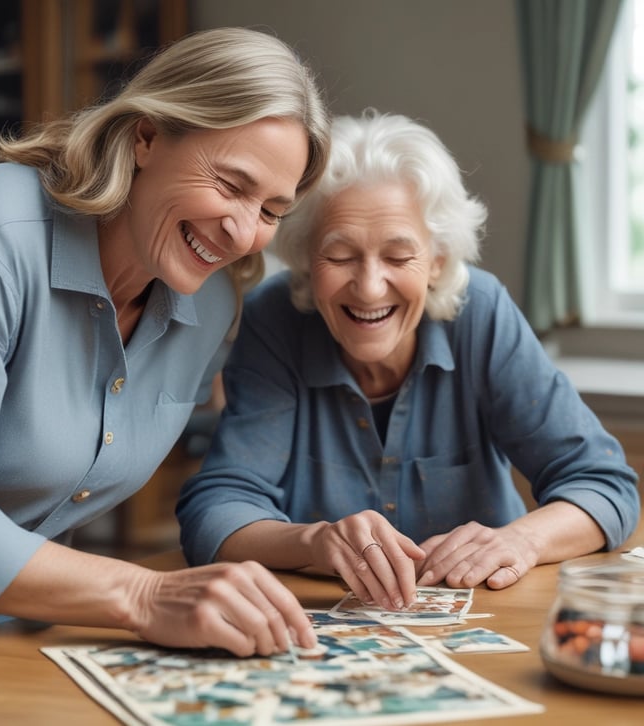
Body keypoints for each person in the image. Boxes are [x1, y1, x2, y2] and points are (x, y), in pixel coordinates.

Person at [0, 27, 330, 660]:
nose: (242, 231)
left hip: (8, 628)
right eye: (231, 185)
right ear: (146, 137)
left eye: (272, 211)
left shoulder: (211, 301)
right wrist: (144, 594)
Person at [176, 109, 640, 614]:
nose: (369, 287)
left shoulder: (481, 313)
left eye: (398, 258)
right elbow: (215, 511)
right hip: (321, 624)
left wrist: (522, 540)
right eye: (340, 256)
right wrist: (313, 541)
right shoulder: (275, 318)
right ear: (306, 259)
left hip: (493, 614)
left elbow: (604, 486)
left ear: (437, 260)